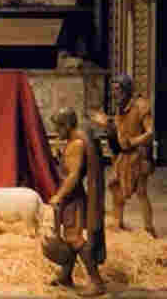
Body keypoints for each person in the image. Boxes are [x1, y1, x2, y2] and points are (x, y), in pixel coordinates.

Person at [46, 108, 106, 296]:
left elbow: (73, 176)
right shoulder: (72, 142)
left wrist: (59, 196)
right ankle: (66, 275)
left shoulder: (76, 144)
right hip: (70, 198)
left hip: (73, 198)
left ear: (67, 125)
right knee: (69, 237)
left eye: (58, 126)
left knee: (75, 239)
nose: (56, 130)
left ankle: (96, 282)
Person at [92, 73, 157, 237]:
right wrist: (107, 123)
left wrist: (134, 141)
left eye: (118, 89)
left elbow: (150, 133)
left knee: (141, 191)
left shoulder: (141, 106)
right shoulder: (121, 108)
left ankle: (149, 228)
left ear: (126, 89)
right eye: (113, 90)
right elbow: (119, 131)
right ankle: (117, 223)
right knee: (115, 186)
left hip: (139, 155)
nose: (115, 94)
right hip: (124, 155)